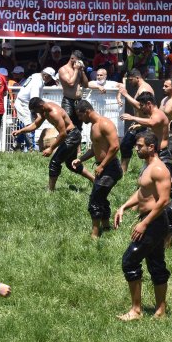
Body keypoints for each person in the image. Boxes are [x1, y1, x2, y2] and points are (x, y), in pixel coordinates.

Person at [114, 131, 172, 321]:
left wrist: (144, 224)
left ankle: (136, 311)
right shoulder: (147, 167)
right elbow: (142, 193)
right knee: (156, 264)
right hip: (149, 220)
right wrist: (124, 206)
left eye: (140, 146)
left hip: (154, 222)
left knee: (129, 261)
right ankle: (160, 310)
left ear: (151, 147)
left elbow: (164, 201)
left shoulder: (159, 169)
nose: (136, 148)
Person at [13, 98, 94, 191]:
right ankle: (94, 180)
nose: (35, 113)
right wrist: (20, 131)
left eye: (35, 111)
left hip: (72, 136)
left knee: (54, 163)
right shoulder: (44, 111)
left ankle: (51, 190)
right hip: (71, 135)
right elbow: (35, 125)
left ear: (40, 106)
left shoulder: (53, 113)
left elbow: (63, 134)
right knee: (71, 164)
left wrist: (51, 148)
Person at [72, 100, 123, 239]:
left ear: (87, 111)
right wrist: (80, 159)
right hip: (105, 167)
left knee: (95, 199)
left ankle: (94, 235)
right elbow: (95, 149)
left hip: (111, 168)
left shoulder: (104, 124)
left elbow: (115, 147)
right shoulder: (94, 126)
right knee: (101, 197)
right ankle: (106, 228)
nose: (80, 119)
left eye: (81, 116)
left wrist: (102, 165)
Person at [121, 92, 172, 175]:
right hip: (154, 153)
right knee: (144, 179)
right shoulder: (153, 115)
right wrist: (139, 125)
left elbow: (152, 123)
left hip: (162, 154)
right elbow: (155, 126)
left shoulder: (158, 114)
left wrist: (132, 117)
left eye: (142, 105)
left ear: (149, 103)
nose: (141, 108)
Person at [12, 67, 56, 152]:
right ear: (46, 76)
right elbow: (34, 100)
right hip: (24, 104)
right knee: (30, 125)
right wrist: (37, 114)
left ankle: (17, 144)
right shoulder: (38, 83)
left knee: (25, 125)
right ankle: (31, 149)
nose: (50, 80)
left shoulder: (36, 75)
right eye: (50, 77)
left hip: (24, 102)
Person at [58, 50, 89, 130]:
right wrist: (76, 70)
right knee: (67, 124)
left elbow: (86, 85)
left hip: (78, 100)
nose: (79, 62)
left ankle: (77, 142)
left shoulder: (79, 70)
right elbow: (71, 83)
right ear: (72, 58)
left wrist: (82, 71)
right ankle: (65, 142)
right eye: (77, 60)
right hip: (68, 101)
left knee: (79, 124)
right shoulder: (63, 69)